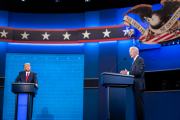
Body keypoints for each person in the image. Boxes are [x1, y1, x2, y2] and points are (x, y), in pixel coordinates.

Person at [120, 47, 145, 120]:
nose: (129, 53)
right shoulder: (135, 61)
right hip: (135, 85)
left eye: (130, 51)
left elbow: (139, 72)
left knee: (140, 106)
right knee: (137, 106)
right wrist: (128, 72)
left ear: (136, 52)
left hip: (139, 85)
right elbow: (134, 72)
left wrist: (127, 73)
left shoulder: (140, 60)